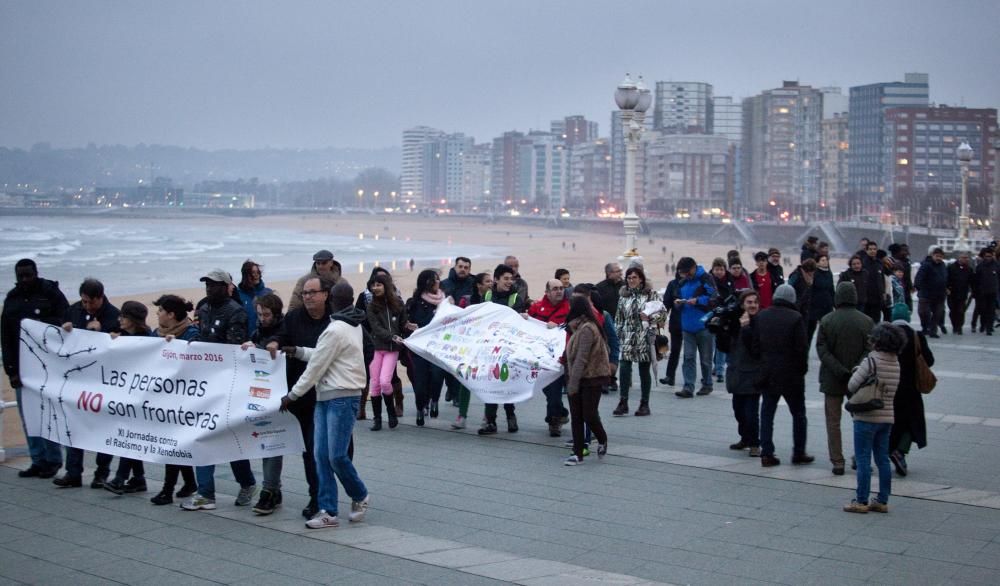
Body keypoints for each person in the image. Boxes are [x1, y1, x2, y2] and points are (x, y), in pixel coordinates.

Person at [281, 281, 370, 529]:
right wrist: (297, 351)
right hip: (327, 397)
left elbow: (315, 368)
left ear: (331, 298)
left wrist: (292, 395)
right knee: (321, 456)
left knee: (336, 456)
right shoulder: (352, 324)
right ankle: (328, 510)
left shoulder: (337, 328)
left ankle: (360, 494)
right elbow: (323, 354)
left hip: (341, 397)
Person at [182, 269, 257, 511]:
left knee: (229, 438)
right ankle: (205, 492)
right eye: (207, 285)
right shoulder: (203, 310)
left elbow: (233, 348)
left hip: (228, 385)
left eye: (214, 285)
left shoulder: (236, 312)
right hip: (205, 383)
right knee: (201, 436)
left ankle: (246, 482)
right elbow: (201, 336)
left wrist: (207, 348)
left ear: (227, 287)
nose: (209, 289)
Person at [262, 276, 330, 519]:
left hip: (325, 395)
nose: (308, 297)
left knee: (317, 450)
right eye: (305, 293)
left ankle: (319, 497)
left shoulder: (335, 321)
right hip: (296, 395)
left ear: (325, 294)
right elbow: (282, 337)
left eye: (313, 292)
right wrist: (274, 341)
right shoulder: (294, 317)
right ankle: (302, 494)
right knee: (300, 448)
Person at [2, 259, 69, 479]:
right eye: (20, 276)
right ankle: (37, 459)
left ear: (36, 273)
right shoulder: (12, 299)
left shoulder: (51, 293)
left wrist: (36, 322)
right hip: (22, 368)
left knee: (48, 414)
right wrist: (10, 369)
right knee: (28, 416)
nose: (25, 280)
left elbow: (66, 322)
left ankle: (53, 459)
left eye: (28, 275)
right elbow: (6, 336)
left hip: (48, 366)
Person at [55, 278, 120, 489]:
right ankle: (73, 472)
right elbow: (61, 339)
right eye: (84, 301)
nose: (87, 306)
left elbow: (121, 347)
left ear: (100, 298)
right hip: (78, 379)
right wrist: (65, 330)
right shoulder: (73, 311)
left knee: (103, 427)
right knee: (73, 424)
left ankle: (102, 473)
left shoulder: (114, 315)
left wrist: (101, 333)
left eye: (90, 302)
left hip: (103, 381)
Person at [843, 323, 905, 514]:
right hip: (886, 417)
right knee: (882, 460)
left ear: (877, 341)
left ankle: (861, 500)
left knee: (863, 459)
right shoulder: (896, 363)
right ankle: (882, 500)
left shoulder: (871, 361)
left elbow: (852, 385)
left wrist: (857, 372)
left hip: (865, 417)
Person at [816, 282, 874, 475]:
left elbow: (822, 350)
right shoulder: (866, 321)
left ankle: (837, 461)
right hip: (858, 380)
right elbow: (869, 349)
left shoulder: (826, 320)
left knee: (833, 422)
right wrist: (856, 369)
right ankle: (861, 457)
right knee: (861, 419)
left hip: (832, 378)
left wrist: (839, 369)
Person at [752, 284, 813, 467]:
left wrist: (762, 365)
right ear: (792, 299)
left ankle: (767, 453)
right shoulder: (796, 318)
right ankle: (799, 452)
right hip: (792, 375)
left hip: (769, 373)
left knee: (767, 413)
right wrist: (802, 371)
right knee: (799, 414)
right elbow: (802, 349)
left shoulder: (762, 316)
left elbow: (755, 347)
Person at [149, 295, 200, 505]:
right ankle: (190, 483)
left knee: (174, 443)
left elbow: (196, 358)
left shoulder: (192, 334)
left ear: (171, 314)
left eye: (160, 310)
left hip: (185, 398)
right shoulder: (156, 334)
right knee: (176, 443)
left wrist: (176, 348)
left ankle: (167, 490)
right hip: (164, 397)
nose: (158, 314)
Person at [104, 301, 155, 495]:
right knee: (130, 434)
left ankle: (120, 478)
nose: (119, 320)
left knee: (131, 436)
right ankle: (138, 478)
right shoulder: (123, 336)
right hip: (128, 395)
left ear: (132, 320)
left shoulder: (147, 339)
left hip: (143, 397)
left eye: (123, 317)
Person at [563, 296, 611, 466]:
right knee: (576, 416)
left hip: (591, 378)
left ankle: (602, 438)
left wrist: (573, 384)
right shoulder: (577, 328)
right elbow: (571, 354)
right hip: (577, 377)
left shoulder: (587, 329)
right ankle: (577, 453)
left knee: (589, 414)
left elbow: (581, 359)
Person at [479, 264, 527, 434]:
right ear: (496, 279)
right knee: (490, 384)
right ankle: (490, 422)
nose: (509, 282)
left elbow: (515, 322)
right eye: (505, 278)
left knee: (506, 382)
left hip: (508, 348)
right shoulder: (488, 295)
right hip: (490, 348)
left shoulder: (516, 298)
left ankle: (510, 415)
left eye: (511, 279)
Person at [888, 303, 933, 477]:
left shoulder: (887, 336)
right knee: (912, 422)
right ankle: (900, 451)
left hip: (890, 387)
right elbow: (929, 360)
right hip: (911, 390)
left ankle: (879, 452)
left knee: (888, 422)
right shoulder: (916, 336)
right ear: (907, 318)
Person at [449, 272, 494, 429]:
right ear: (479, 285)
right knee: (465, 380)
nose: (491, 283)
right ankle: (462, 416)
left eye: (492, 281)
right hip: (469, 347)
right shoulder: (467, 300)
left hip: (489, 348)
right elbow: (457, 320)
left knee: (488, 381)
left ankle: (487, 418)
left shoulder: (494, 301)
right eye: (487, 281)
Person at [612, 266, 659, 415]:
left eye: (634, 277)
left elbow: (662, 314)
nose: (631, 280)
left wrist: (650, 318)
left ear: (641, 279)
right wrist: (617, 335)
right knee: (624, 368)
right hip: (626, 336)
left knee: (644, 370)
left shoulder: (651, 295)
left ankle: (645, 403)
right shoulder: (624, 296)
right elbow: (619, 318)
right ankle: (623, 401)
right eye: (629, 278)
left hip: (644, 336)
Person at [721, 290, 763, 457]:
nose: (752, 305)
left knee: (751, 412)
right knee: (738, 409)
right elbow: (725, 347)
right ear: (742, 305)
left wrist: (746, 328)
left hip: (753, 374)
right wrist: (722, 328)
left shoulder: (760, 323)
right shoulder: (735, 322)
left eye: (755, 302)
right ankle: (745, 437)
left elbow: (756, 349)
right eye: (749, 302)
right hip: (737, 372)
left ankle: (754, 443)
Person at [405, 269, 449, 426]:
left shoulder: (445, 302)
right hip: (420, 349)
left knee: (437, 375)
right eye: (434, 280)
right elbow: (409, 323)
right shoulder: (414, 303)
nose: (438, 282)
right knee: (420, 380)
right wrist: (411, 327)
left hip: (439, 347)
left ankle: (435, 400)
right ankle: (420, 408)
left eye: (438, 279)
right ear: (426, 283)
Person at [528, 279, 571, 436]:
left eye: (561, 288)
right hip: (542, 358)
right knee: (549, 390)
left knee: (554, 391)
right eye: (555, 289)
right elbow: (527, 326)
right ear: (547, 291)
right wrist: (524, 318)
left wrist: (559, 326)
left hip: (562, 358)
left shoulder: (570, 308)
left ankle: (553, 421)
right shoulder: (536, 308)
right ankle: (561, 413)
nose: (559, 291)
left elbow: (574, 326)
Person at [366, 272, 406, 431]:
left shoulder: (398, 304)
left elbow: (403, 323)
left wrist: (408, 326)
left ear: (386, 286)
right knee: (374, 383)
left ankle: (391, 413)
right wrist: (393, 336)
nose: (375, 288)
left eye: (378, 284)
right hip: (376, 347)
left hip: (392, 349)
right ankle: (377, 419)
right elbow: (375, 328)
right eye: (373, 285)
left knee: (385, 381)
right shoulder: (371, 307)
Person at [674, 257, 716, 399]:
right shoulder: (682, 282)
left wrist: (698, 301)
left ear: (693, 268)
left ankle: (707, 384)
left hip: (704, 325)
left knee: (705, 358)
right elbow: (676, 297)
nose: (685, 275)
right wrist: (678, 303)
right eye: (683, 273)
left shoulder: (705, 278)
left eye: (687, 272)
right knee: (688, 357)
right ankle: (688, 387)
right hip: (687, 326)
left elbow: (714, 298)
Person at [709, 258, 734, 383]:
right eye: (716, 269)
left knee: (721, 344)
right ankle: (714, 367)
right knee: (712, 344)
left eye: (721, 269)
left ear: (725, 270)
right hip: (711, 316)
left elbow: (733, 296)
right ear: (712, 270)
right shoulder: (708, 282)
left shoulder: (730, 281)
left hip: (724, 316)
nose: (719, 272)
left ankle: (719, 371)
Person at [914, 246, 948, 338]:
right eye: (937, 256)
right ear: (932, 256)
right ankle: (925, 328)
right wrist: (919, 287)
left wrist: (947, 288)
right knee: (924, 312)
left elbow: (945, 278)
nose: (938, 258)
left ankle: (933, 331)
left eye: (940, 256)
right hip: (926, 294)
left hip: (939, 295)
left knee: (937, 314)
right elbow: (919, 277)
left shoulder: (943, 265)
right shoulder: (926, 265)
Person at [658, 269, 683, 387]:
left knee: (690, 354)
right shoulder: (673, 284)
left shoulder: (695, 284)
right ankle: (670, 376)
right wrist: (662, 319)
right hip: (676, 324)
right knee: (675, 351)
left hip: (692, 325)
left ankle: (696, 381)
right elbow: (666, 304)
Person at [236, 259, 271, 338]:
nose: (256, 275)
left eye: (257, 272)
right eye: (252, 272)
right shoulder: (237, 295)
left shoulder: (268, 293)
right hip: (243, 340)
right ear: (245, 275)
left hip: (263, 338)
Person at [807, 254, 836, 344]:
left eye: (826, 260)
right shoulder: (815, 273)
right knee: (810, 330)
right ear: (817, 262)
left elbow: (831, 289)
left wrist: (835, 303)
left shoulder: (829, 273)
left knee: (826, 330)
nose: (825, 262)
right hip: (815, 305)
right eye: (822, 260)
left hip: (827, 305)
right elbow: (811, 289)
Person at [946, 251, 974, 335]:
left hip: (963, 293)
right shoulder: (951, 267)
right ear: (959, 258)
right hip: (952, 293)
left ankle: (959, 327)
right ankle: (954, 325)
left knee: (961, 311)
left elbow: (972, 281)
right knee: (953, 311)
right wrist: (946, 288)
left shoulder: (969, 269)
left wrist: (973, 290)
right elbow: (946, 279)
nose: (965, 259)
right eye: (963, 258)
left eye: (966, 258)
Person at [972, 247, 998, 335]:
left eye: (990, 256)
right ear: (984, 256)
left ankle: (989, 328)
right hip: (982, 292)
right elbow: (976, 280)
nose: (988, 258)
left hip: (993, 292)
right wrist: (975, 291)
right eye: (987, 256)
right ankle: (983, 324)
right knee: (983, 310)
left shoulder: (996, 265)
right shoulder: (980, 266)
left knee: (991, 310)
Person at [888, 243, 914, 309]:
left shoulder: (906, 262)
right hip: (898, 287)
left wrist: (910, 286)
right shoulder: (896, 262)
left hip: (905, 287)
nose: (905, 253)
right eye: (904, 251)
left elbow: (908, 276)